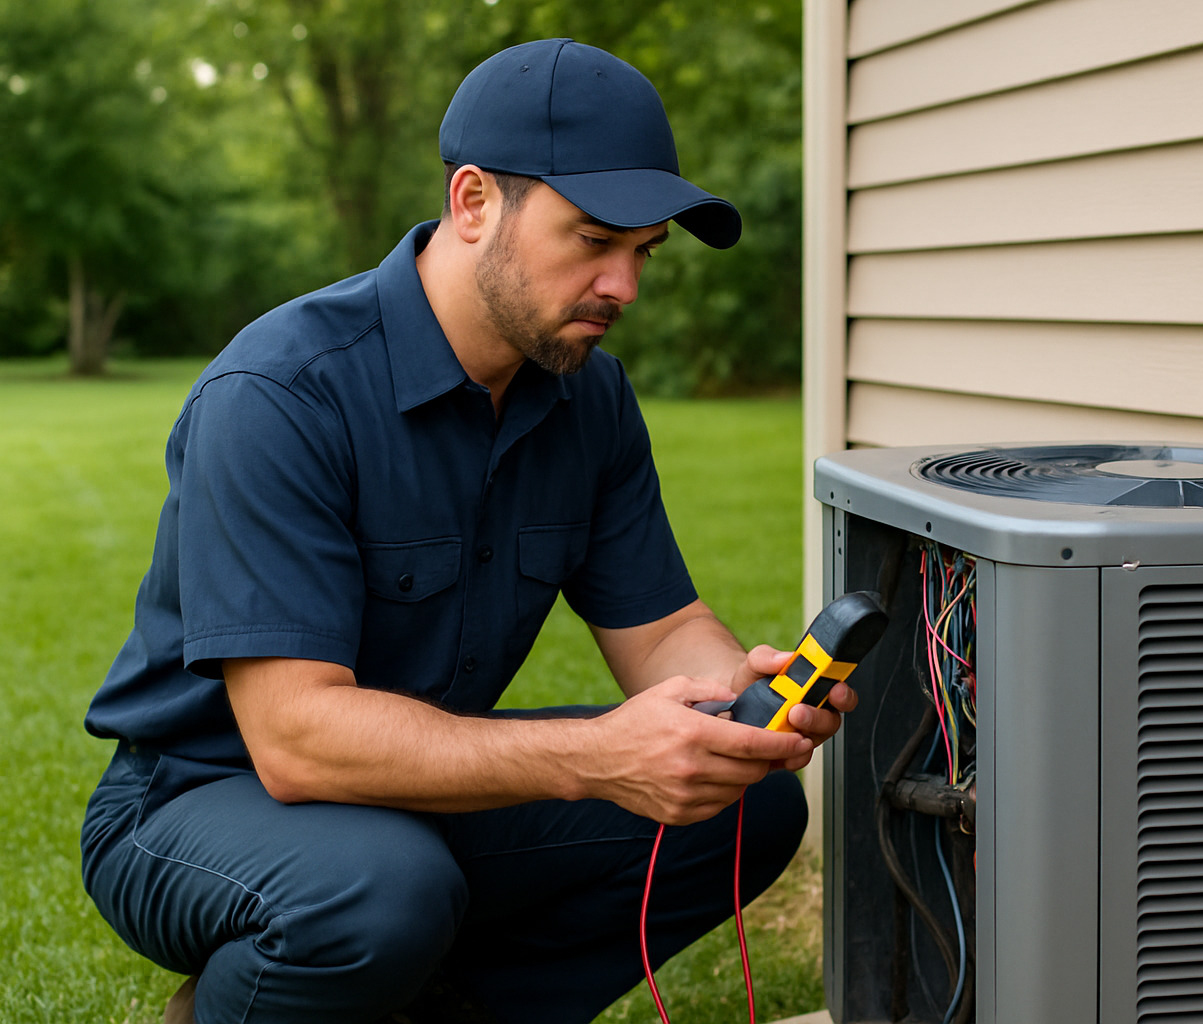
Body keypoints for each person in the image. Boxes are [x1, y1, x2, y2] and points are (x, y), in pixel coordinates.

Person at [79, 38, 853, 1024]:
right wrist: (594, 754)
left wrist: (741, 704)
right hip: (196, 800)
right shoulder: (279, 393)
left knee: (747, 806)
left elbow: (661, 630)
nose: (625, 285)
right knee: (377, 886)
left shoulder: (589, 398)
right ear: (474, 201)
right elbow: (297, 741)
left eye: (643, 251)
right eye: (593, 240)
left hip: (410, 798)